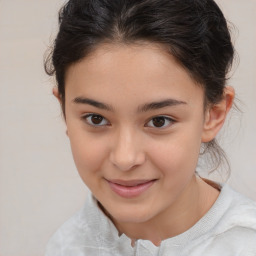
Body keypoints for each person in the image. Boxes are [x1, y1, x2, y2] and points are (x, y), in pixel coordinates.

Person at [44, 0, 256, 255]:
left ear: (213, 114)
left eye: (159, 121)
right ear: (64, 111)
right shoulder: (65, 247)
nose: (125, 159)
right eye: (96, 119)